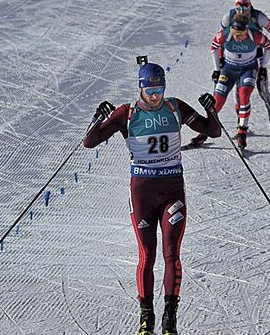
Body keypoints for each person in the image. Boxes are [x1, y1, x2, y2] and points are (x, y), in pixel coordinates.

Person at [83, 59, 221, 335]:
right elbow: (90, 141)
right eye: (151, 91)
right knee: (147, 256)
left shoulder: (175, 107)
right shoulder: (127, 113)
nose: (156, 96)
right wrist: (98, 117)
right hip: (142, 194)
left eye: (160, 89)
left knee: (172, 254)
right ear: (141, 88)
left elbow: (212, 131)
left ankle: (170, 319)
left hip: (172, 191)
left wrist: (211, 110)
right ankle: (146, 318)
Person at [190, 0, 270, 147]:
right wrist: (218, 66)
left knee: (259, 92)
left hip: (252, 63)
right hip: (229, 66)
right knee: (219, 99)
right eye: (239, 6)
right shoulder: (228, 20)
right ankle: (207, 131)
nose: (242, 10)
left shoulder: (258, 18)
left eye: (245, 6)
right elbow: (216, 44)